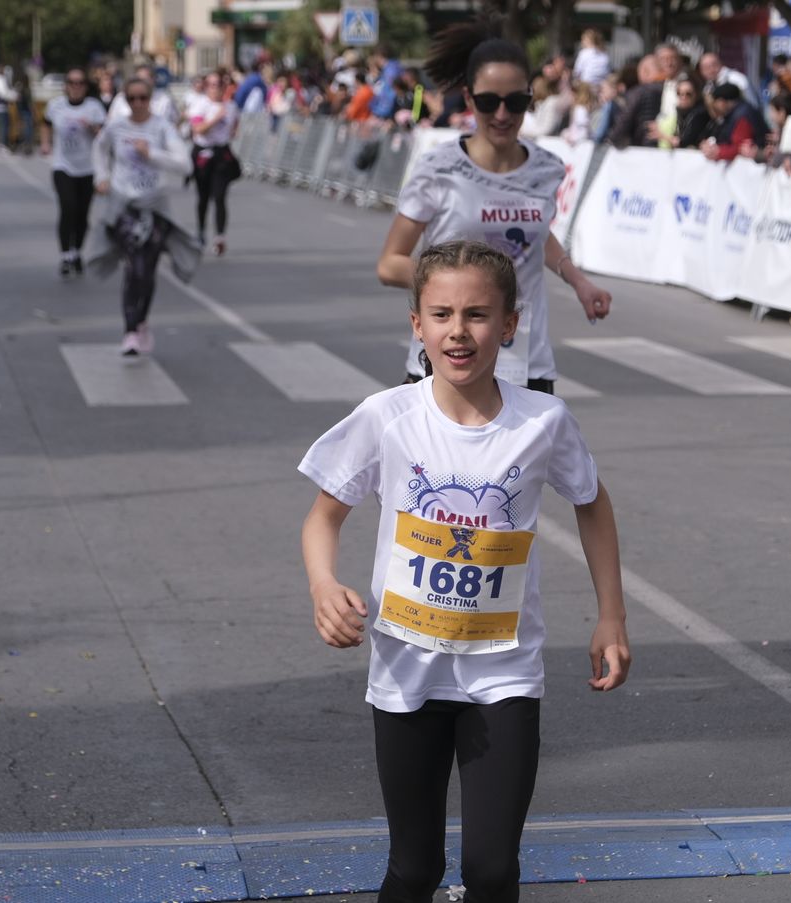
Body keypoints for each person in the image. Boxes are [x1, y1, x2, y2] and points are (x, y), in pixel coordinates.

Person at [300, 239, 630, 903]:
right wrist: (323, 583)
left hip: (503, 671)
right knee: (414, 869)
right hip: (406, 670)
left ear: (510, 324)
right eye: (442, 313)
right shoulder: (388, 417)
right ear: (416, 324)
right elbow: (321, 517)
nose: (459, 331)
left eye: (478, 314)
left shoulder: (542, 421)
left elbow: (593, 504)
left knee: (490, 868)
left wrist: (612, 615)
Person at [377, 17, 613, 394]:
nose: (502, 115)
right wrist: (460, 287)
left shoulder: (546, 169)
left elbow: (533, 234)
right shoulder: (439, 168)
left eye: (516, 102)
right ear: (469, 99)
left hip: (526, 363)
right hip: (449, 361)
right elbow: (390, 263)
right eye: (489, 102)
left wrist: (580, 282)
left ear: (530, 101)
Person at [88, 77, 196, 356]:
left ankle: (142, 321)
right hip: (125, 205)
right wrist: (101, 177)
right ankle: (130, 330)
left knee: (146, 270)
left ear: (150, 100)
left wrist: (153, 154)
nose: (137, 103)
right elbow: (99, 149)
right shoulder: (117, 127)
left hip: (155, 208)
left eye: (143, 98)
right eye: (132, 98)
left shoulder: (161, 127)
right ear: (125, 100)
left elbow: (184, 164)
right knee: (133, 266)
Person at [41, 67, 107, 279]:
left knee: (82, 215)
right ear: (66, 86)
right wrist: (45, 143)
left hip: (87, 168)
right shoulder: (56, 106)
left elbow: (105, 137)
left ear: (86, 87)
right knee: (67, 208)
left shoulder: (94, 107)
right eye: (72, 82)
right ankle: (65, 256)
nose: (75, 87)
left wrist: (93, 128)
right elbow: (45, 124)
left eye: (80, 83)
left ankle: (77, 251)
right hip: (63, 166)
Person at [188, 71, 240, 255]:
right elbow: (198, 129)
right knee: (203, 197)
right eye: (212, 84)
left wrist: (230, 131)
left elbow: (235, 126)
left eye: (220, 84)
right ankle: (201, 231)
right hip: (203, 153)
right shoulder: (199, 105)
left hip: (221, 154)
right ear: (206, 86)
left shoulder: (231, 106)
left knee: (220, 196)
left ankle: (220, 237)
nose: (216, 88)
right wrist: (216, 118)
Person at [699, 83, 767, 162]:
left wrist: (718, 151)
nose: (715, 107)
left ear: (722, 102)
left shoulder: (742, 116)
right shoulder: (732, 114)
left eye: (716, 102)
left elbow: (739, 147)